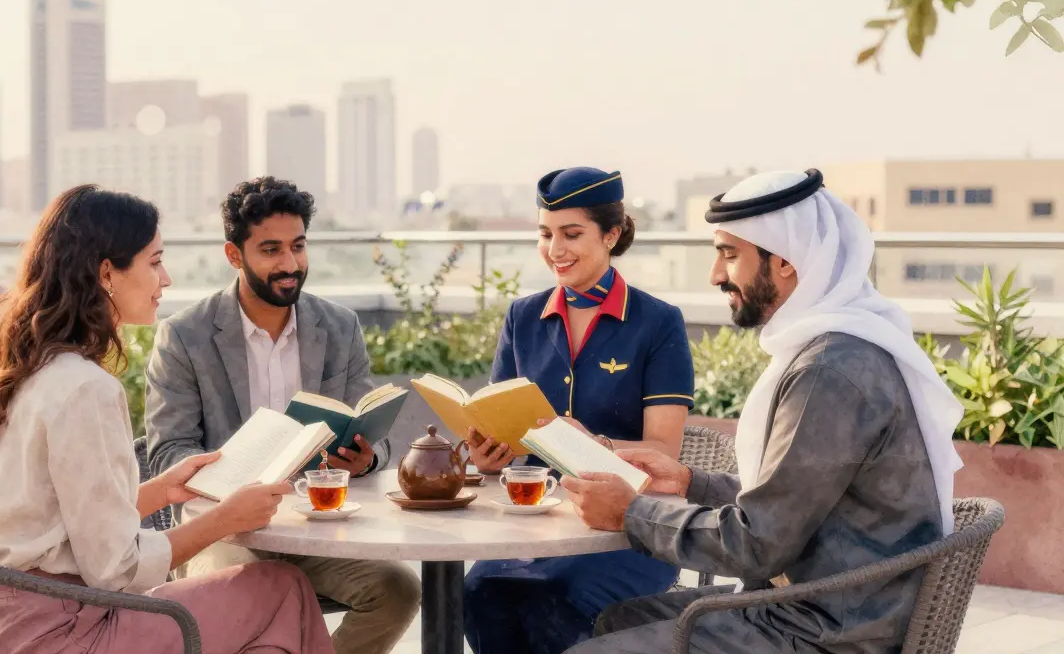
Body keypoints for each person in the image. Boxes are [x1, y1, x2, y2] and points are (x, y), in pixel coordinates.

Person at [561, 169, 963, 654]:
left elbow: (757, 545)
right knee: (622, 618)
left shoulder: (830, 372)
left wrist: (632, 512)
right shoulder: (832, 349)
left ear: (786, 262)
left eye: (730, 254)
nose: (715, 275)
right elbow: (794, 500)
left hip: (832, 627)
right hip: (831, 601)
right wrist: (689, 482)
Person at [0, 184, 335, 654]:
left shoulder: (32, 367)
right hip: (65, 634)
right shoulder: (86, 388)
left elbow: (50, 520)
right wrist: (223, 519)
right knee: (283, 589)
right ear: (107, 273)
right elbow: (117, 568)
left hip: (3, 624)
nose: (167, 279)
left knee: (271, 623)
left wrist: (160, 491)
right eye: (154, 262)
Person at [146, 176, 421, 654]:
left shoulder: (339, 327)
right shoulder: (184, 337)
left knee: (398, 589)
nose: (290, 264)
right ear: (235, 255)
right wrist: (239, 477)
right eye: (271, 250)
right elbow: (168, 451)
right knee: (234, 605)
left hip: (318, 530)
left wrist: (366, 458)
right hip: (224, 531)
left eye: (298, 246)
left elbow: (375, 429)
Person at [462, 167, 695, 654]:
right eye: (546, 234)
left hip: (627, 529)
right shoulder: (521, 317)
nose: (555, 249)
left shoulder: (658, 323)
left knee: (554, 598)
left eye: (572, 234)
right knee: (479, 591)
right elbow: (496, 417)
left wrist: (596, 446)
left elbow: (663, 451)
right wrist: (486, 455)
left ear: (612, 234)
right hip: (531, 521)